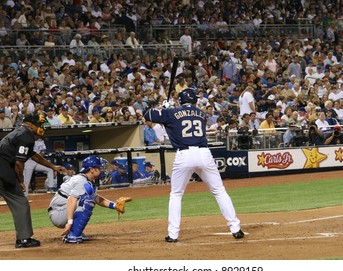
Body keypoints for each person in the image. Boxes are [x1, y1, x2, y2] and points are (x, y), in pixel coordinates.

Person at [144, 87, 243, 242]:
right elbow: (182, 117)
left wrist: (162, 107)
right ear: (194, 100)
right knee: (219, 190)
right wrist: (168, 109)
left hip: (184, 155)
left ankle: (173, 234)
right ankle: (236, 228)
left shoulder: (171, 112)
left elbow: (148, 114)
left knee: (176, 194)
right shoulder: (201, 113)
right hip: (204, 153)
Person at [0, 112, 65, 248]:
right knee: (21, 202)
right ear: (30, 124)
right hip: (3, 171)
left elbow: (34, 156)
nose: (42, 127)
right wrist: (21, 181)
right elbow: (19, 163)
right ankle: (24, 239)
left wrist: (52, 166)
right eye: (40, 124)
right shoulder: (26, 136)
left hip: (3, 168)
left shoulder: (21, 132)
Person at [48, 156, 130, 243]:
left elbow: (97, 198)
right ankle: (73, 235)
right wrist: (69, 222)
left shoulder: (85, 180)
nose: (103, 171)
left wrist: (115, 205)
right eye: (99, 168)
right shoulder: (81, 181)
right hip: (58, 213)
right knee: (87, 200)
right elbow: (71, 200)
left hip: (61, 210)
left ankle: (74, 231)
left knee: (89, 198)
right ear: (92, 169)